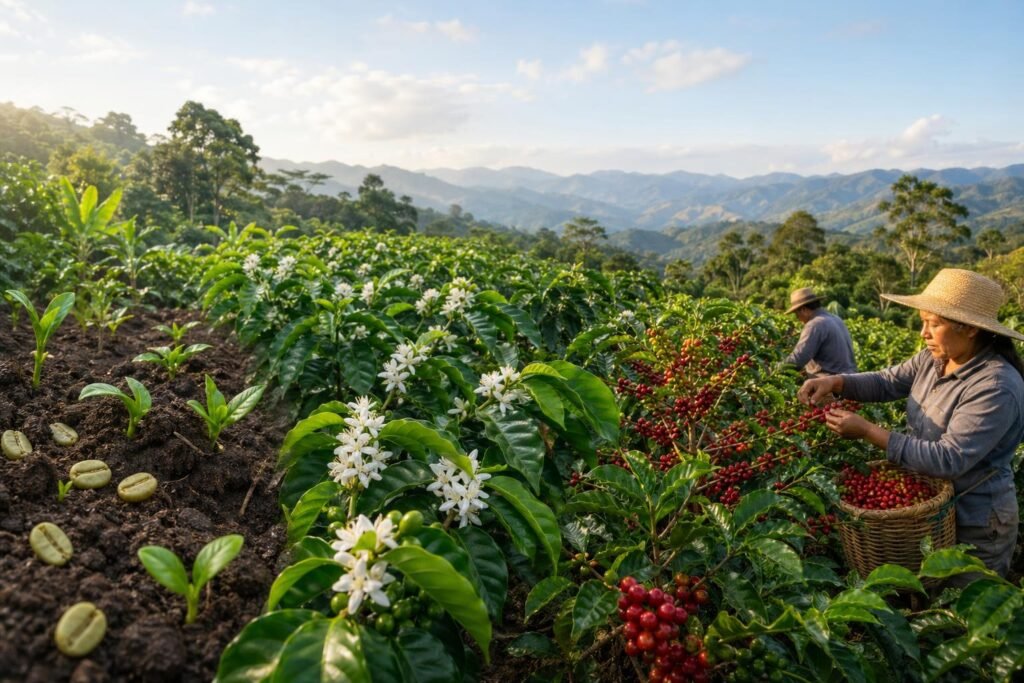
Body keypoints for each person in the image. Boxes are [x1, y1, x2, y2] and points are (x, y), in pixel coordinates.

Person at [798, 269, 1024, 577]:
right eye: (922, 321)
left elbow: (948, 459)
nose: (923, 333)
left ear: (970, 328)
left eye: (934, 323)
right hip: (929, 512)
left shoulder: (995, 386)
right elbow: (886, 382)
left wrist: (867, 431)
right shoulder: (934, 359)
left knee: (964, 597)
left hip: (976, 522)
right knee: (922, 589)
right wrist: (836, 382)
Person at [782, 287, 857, 376]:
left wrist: (776, 369)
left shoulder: (814, 324)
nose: (798, 319)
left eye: (797, 315)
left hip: (829, 381)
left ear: (803, 310)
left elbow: (798, 359)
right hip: (851, 379)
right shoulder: (836, 319)